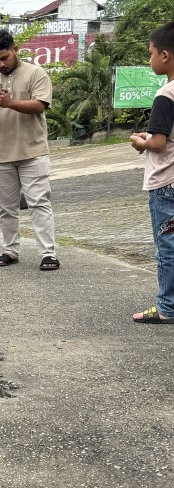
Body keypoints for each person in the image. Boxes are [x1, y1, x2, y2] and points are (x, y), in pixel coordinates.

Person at [0, 30, 60, 270]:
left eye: (4, 58)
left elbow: (40, 106)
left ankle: (48, 253)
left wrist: (10, 103)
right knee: (5, 207)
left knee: (39, 203)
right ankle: (10, 250)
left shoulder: (36, 73)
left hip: (32, 151)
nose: (1, 64)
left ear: (15, 50)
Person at [131, 22, 174, 323]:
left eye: (150, 53)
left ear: (165, 56)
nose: (150, 59)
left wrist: (140, 142)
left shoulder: (165, 94)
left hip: (166, 183)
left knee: (168, 246)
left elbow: (157, 144)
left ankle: (167, 307)